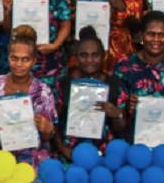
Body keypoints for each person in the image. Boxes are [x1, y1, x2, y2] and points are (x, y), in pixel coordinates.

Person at [113, 11, 164, 147]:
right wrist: (127, 106)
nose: (156, 39)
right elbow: (117, 112)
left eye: (162, 35)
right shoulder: (124, 67)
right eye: (151, 34)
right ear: (141, 35)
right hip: (133, 143)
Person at [0, 27, 58, 165]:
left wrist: (48, 129)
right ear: (8, 57)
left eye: (25, 59)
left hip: (33, 155)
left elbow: (48, 135)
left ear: (34, 61)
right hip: (1, 153)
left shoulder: (43, 91)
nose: (19, 64)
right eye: (14, 58)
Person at [53, 27, 128, 157]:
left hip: (105, 153)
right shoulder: (63, 84)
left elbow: (121, 127)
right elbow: (55, 121)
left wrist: (116, 115)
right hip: (70, 151)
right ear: (76, 56)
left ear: (103, 56)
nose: (89, 60)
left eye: (95, 55)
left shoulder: (115, 85)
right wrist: (61, 147)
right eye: (84, 55)